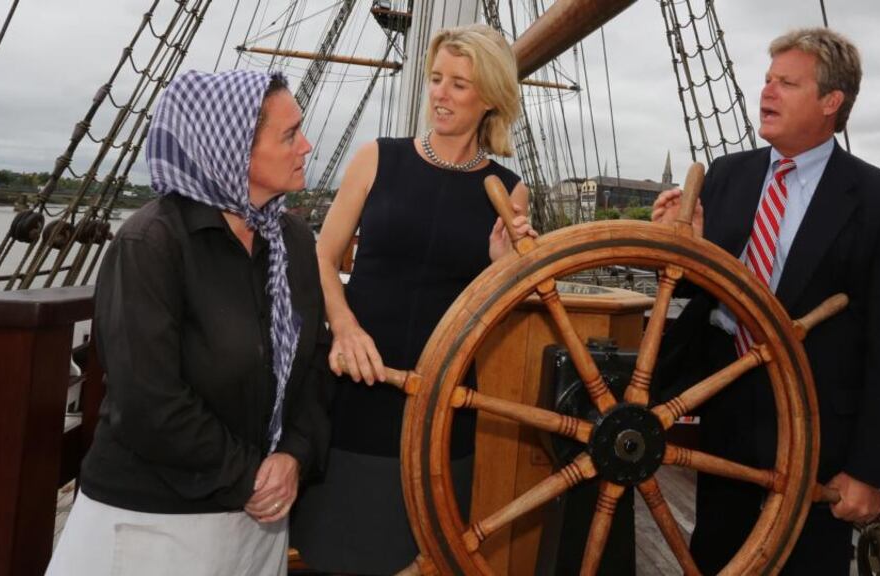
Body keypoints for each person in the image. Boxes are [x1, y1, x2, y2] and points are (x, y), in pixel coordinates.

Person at [651, 28, 880, 574]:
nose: (766, 92)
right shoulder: (726, 176)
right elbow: (693, 293)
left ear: (831, 102)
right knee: (714, 557)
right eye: (767, 80)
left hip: (820, 438)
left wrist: (871, 472)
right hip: (726, 418)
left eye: (787, 83)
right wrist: (682, 249)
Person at [47, 70, 333, 576]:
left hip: (255, 526)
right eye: (289, 135)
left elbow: (311, 365)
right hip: (153, 523)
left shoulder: (292, 242)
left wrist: (294, 455)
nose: (306, 146)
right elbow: (147, 400)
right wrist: (252, 476)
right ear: (232, 148)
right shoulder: (151, 244)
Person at [289, 23, 534, 575]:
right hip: (360, 385)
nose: (440, 95)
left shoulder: (508, 189)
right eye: (436, 79)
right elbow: (321, 258)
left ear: (490, 98)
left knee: (425, 555)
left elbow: (501, 308)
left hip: (445, 398)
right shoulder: (377, 157)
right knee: (335, 550)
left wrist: (502, 269)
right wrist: (344, 327)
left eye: (459, 84)